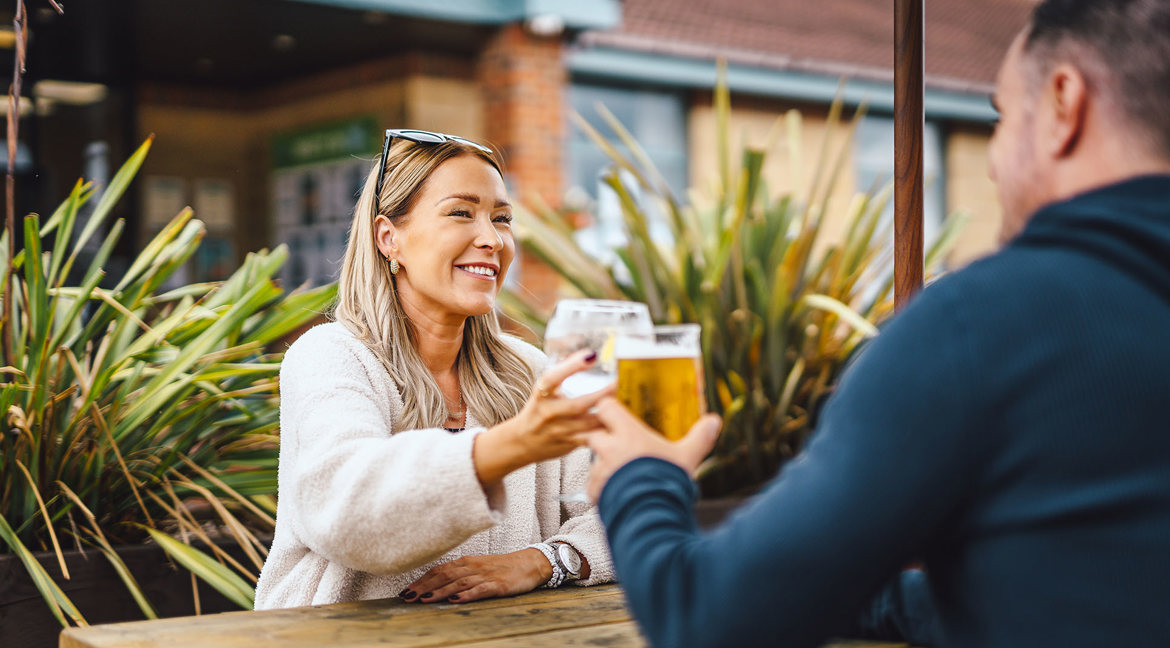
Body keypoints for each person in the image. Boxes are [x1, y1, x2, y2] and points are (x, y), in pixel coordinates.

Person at [585, 0, 1170, 646]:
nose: (994, 161)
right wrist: (849, 591)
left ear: (1064, 104)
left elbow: (704, 615)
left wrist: (641, 475)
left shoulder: (982, 325)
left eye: (1001, 119)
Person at [255, 130, 614, 609]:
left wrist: (543, 560)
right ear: (389, 238)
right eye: (461, 213)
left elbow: (617, 513)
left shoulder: (530, 370)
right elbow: (345, 513)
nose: (491, 239)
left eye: (501, 218)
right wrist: (512, 445)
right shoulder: (332, 355)